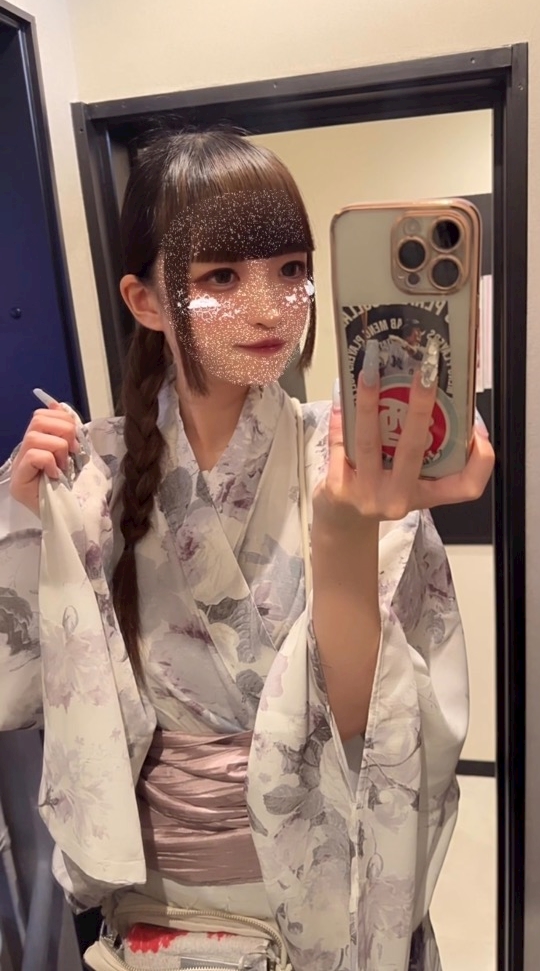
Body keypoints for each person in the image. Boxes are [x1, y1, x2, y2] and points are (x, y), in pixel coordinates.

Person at [0, 130, 494, 971]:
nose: (270, 307)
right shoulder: (94, 469)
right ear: (146, 301)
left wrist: (346, 529)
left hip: (326, 895)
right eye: (221, 277)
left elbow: (371, 726)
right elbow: (15, 693)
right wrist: (22, 520)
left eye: (292, 269)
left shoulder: (347, 455)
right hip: (159, 908)